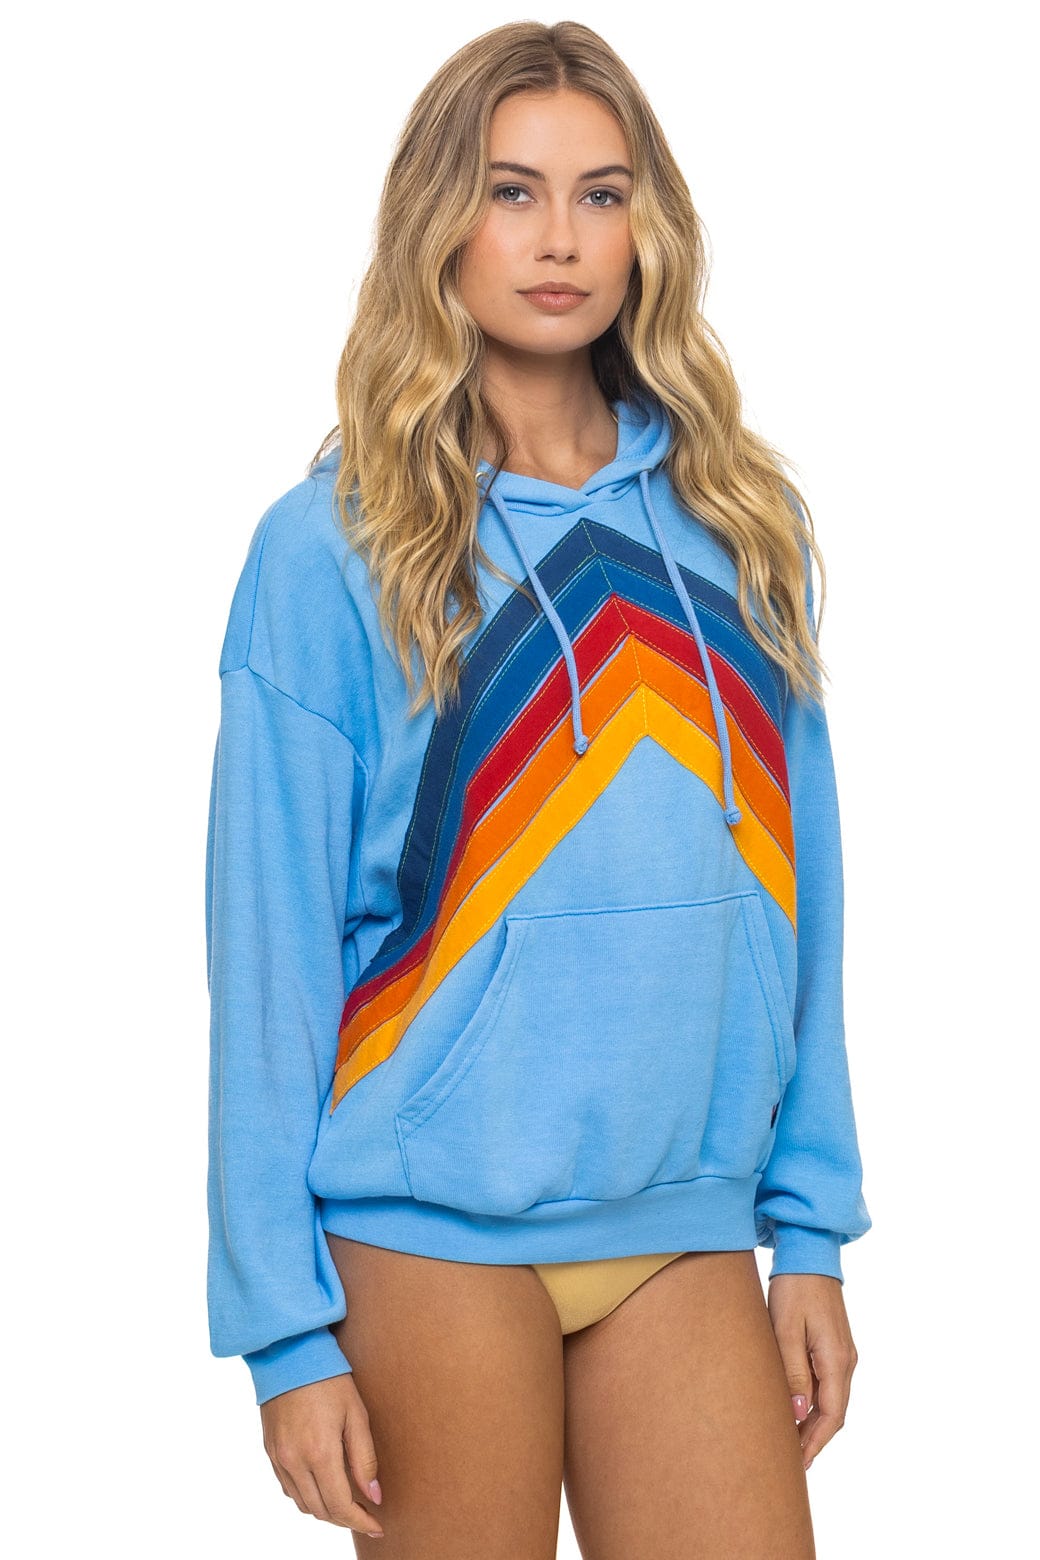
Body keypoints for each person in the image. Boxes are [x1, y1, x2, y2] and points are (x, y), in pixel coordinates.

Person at [204, 19, 872, 1557]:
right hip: (425, 1222)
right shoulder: (335, 551)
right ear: (440, 219)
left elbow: (805, 898)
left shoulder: (740, 525)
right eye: (512, 192)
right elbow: (270, 955)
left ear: (650, 227)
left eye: (601, 193)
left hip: (684, 1219)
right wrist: (285, 1333)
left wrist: (811, 1228)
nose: (560, 239)